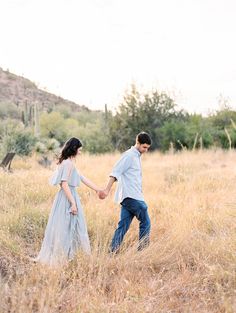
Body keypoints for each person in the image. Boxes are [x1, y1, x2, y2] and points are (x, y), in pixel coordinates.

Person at [35, 137, 101, 266]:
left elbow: (83, 178)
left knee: (71, 226)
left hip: (68, 196)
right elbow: (64, 183)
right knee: (66, 227)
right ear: (74, 149)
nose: (80, 152)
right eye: (79, 150)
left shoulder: (68, 162)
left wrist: (98, 190)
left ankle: (71, 256)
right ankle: (64, 257)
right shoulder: (68, 164)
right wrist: (73, 203)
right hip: (68, 197)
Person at [98, 132, 152, 253]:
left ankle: (112, 252)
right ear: (137, 143)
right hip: (132, 197)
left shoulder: (136, 156)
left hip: (128, 197)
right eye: (144, 147)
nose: (146, 150)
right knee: (146, 222)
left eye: (148, 148)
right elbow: (115, 172)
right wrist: (106, 190)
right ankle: (143, 252)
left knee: (122, 226)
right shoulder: (129, 156)